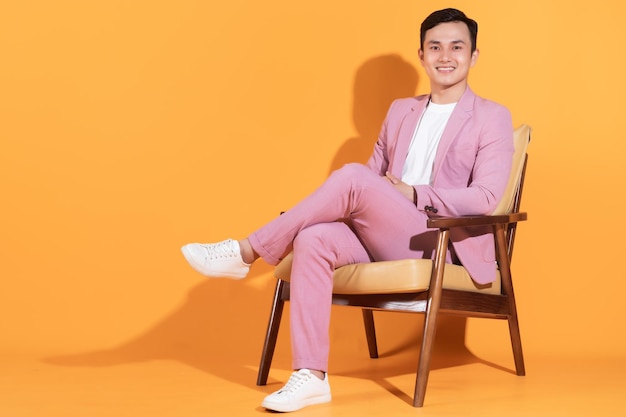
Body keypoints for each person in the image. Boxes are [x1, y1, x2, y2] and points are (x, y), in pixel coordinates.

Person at [181, 8, 514, 413]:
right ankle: (311, 376)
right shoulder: (400, 111)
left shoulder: (492, 117)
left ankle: (246, 251)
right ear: (422, 56)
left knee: (353, 176)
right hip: (383, 233)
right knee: (313, 238)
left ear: (474, 56)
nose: (446, 56)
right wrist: (369, 197)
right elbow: (369, 184)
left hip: (438, 240)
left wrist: (412, 192)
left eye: (457, 47)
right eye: (435, 47)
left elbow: (483, 197)